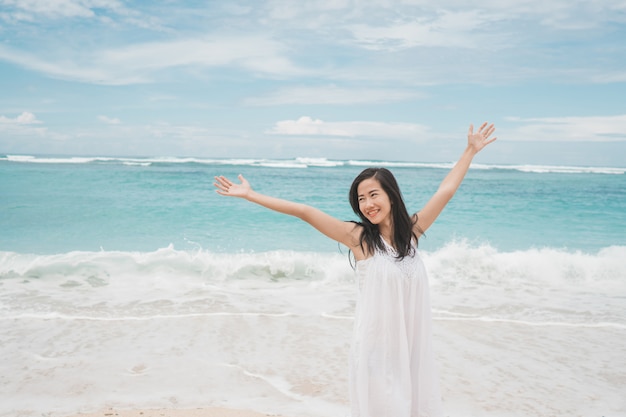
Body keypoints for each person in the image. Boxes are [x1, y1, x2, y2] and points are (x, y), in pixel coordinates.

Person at [214, 122, 497, 417]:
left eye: (373, 195)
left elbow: (446, 190)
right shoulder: (360, 239)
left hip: (411, 348)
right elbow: (305, 212)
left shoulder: (412, 233)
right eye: (361, 199)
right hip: (377, 350)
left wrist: (470, 151)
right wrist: (250, 195)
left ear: (391, 195)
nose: (367, 204)